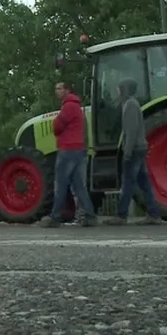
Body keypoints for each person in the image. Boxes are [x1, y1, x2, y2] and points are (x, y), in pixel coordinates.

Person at [39, 82, 98, 228]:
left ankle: (55, 217)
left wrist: (55, 124)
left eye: (59, 88)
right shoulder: (77, 107)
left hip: (68, 149)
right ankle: (90, 216)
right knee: (79, 186)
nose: (56, 91)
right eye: (56, 88)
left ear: (67, 90)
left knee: (60, 184)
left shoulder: (69, 106)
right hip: (79, 149)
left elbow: (57, 126)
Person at [106, 78, 163, 225]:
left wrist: (128, 152)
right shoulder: (132, 103)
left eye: (119, 88)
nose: (117, 91)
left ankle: (121, 216)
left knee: (127, 182)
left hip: (134, 149)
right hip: (140, 147)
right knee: (144, 182)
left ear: (124, 89)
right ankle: (154, 214)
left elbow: (131, 131)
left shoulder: (130, 105)